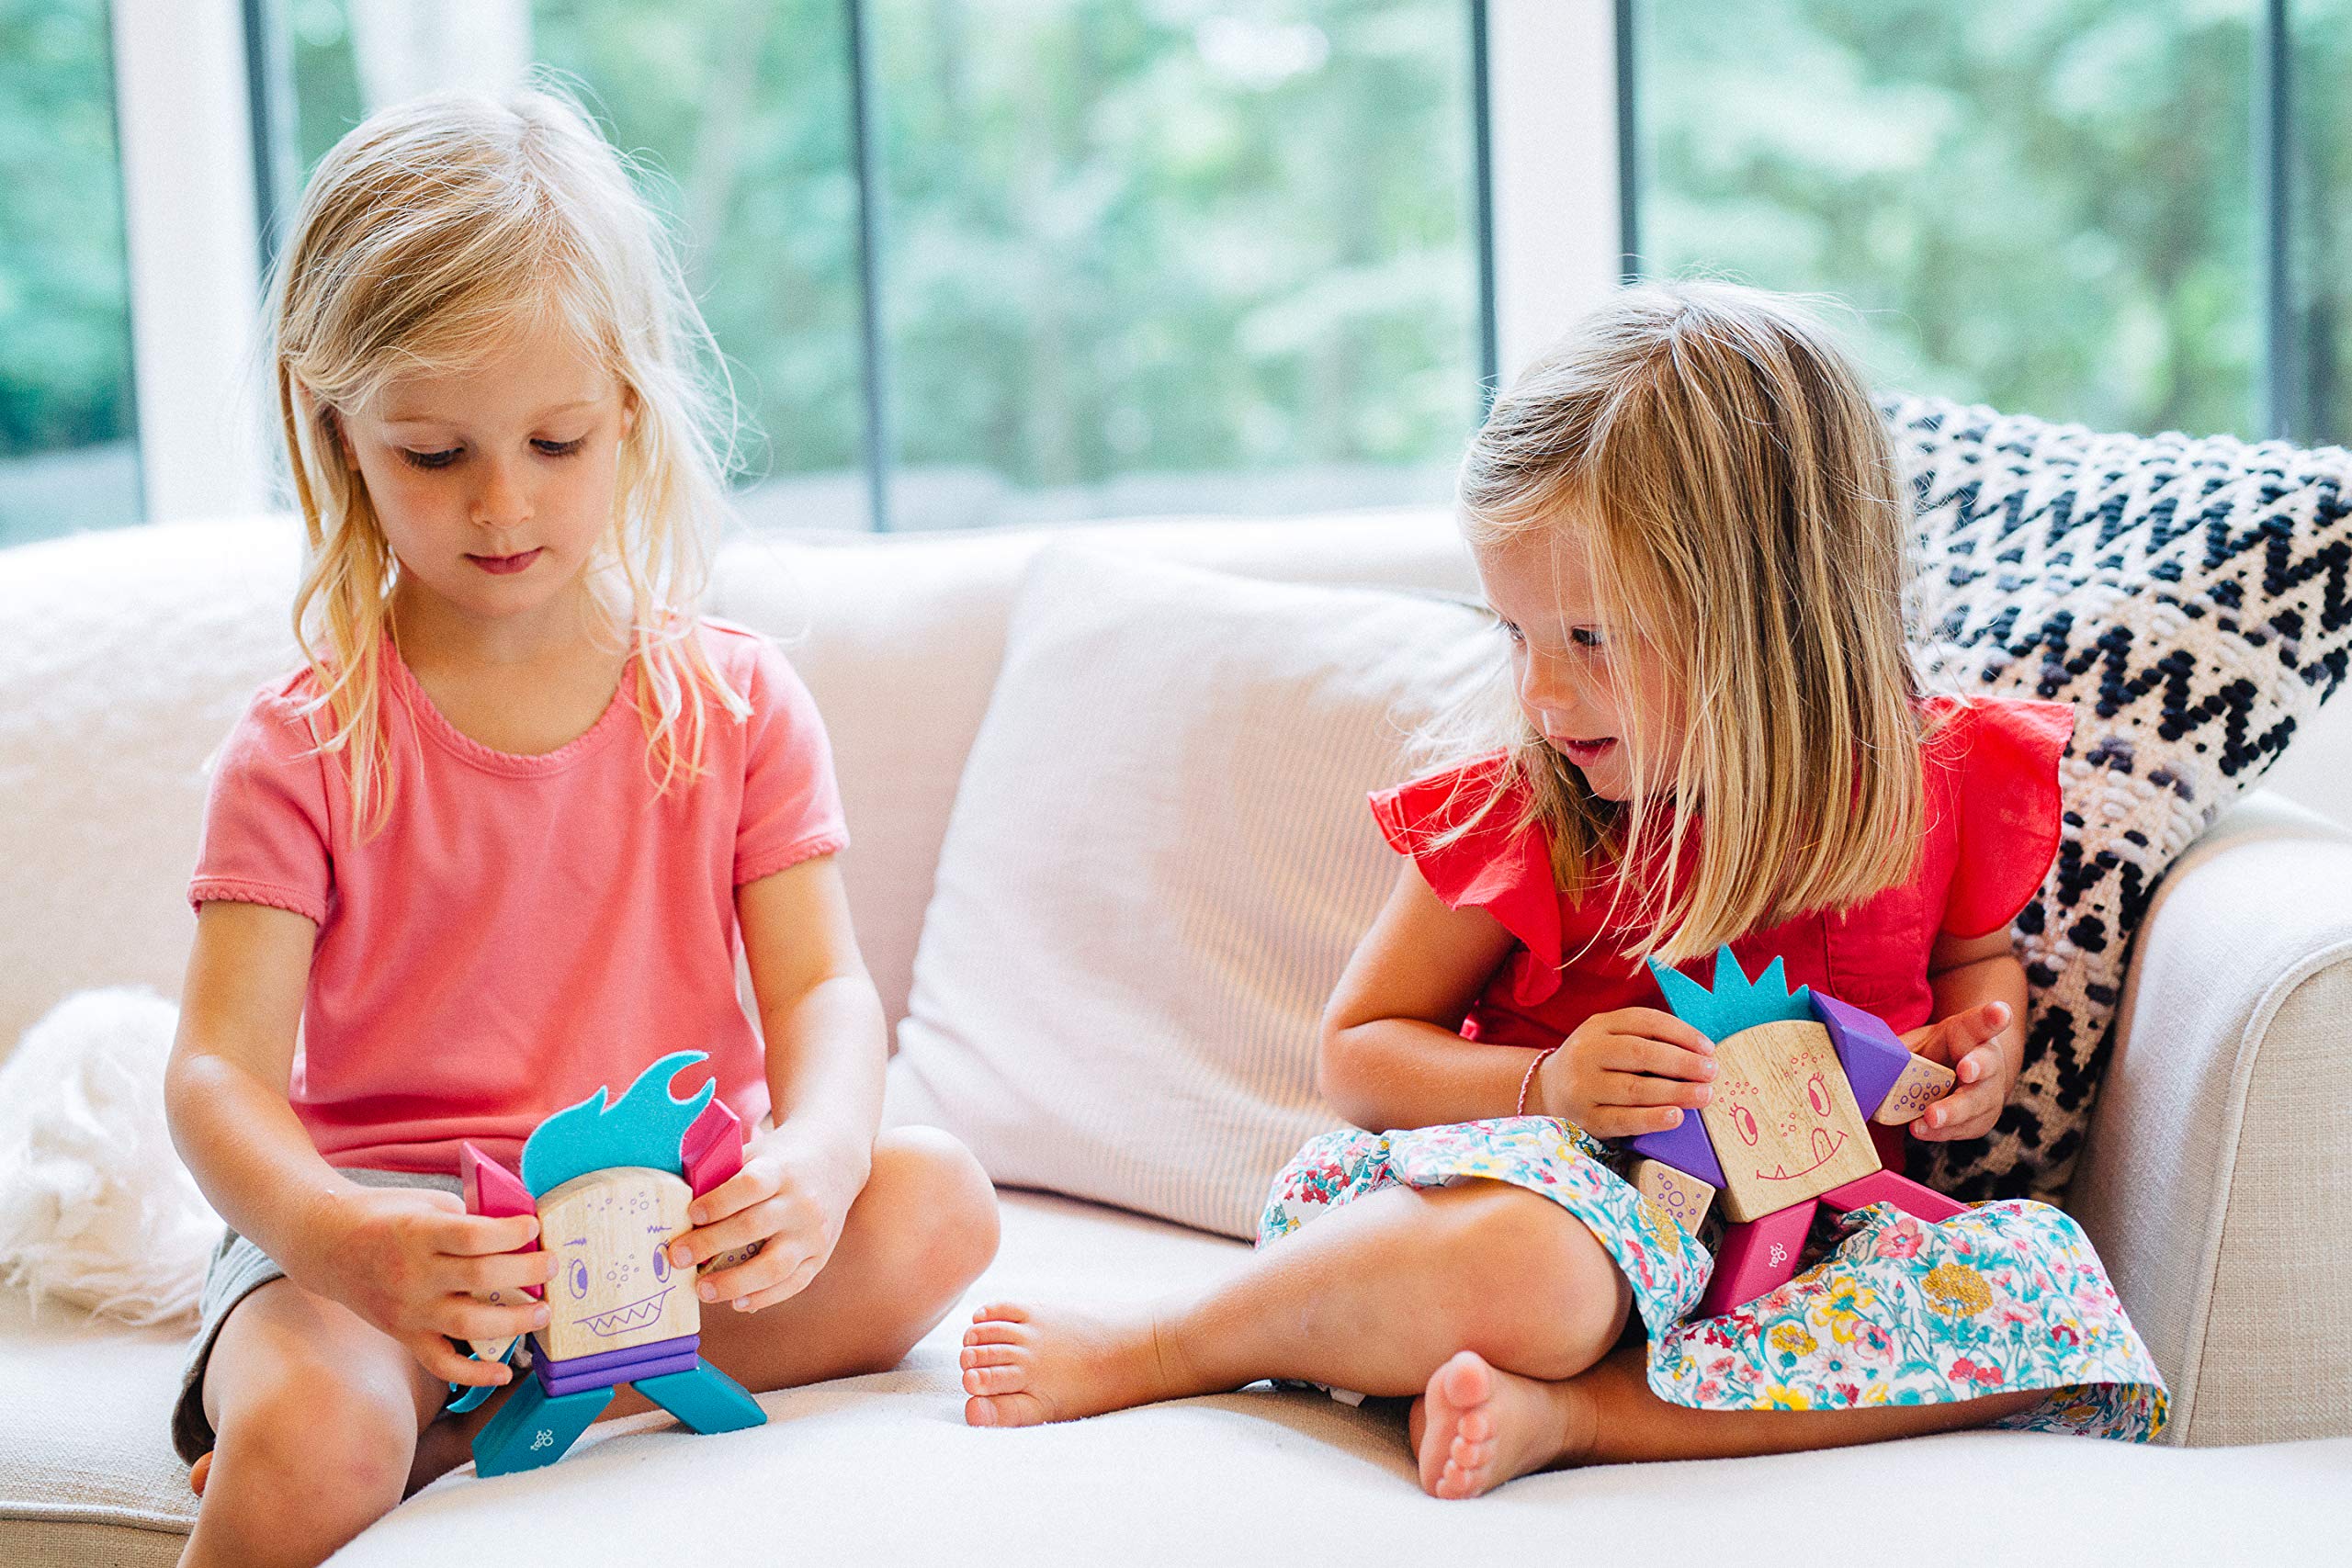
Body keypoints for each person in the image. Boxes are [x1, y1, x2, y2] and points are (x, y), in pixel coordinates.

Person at [956, 281, 2164, 1496]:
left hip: (1819, 1248)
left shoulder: (1930, 781)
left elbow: (1973, 962)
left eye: (1590, 638)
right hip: (1549, 1205)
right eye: (1515, 635)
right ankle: (1176, 1342)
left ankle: (1576, 1420)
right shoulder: (1532, 813)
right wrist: (1549, 1084)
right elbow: (1362, 1052)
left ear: (1773, 617)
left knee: (2053, 1306)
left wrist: (1979, 1043)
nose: (1542, 695)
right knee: (1539, 1274)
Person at [164, 85, 998, 1567]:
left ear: (630, 401)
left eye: (555, 439)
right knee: (314, 1437)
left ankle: (527, 1419)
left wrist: (813, 1153)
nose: (502, 504)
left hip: (665, 1232)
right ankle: (446, 1419)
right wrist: (345, 1244)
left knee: (938, 1206)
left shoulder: (736, 700)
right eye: (434, 453)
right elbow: (217, 1077)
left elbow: (821, 988)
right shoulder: (302, 743)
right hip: (401, 1242)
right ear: (337, 427)